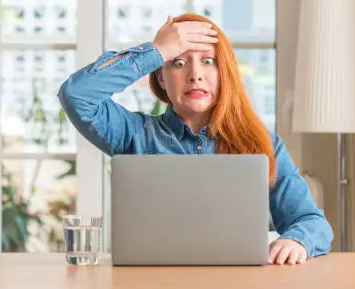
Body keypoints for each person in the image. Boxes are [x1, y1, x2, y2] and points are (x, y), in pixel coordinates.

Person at [57, 13, 333, 265]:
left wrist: (296, 241)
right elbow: (76, 94)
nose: (195, 75)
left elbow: (311, 221)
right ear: (161, 78)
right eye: (177, 62)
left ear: (223, 74)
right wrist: (156, 51)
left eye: (208, 61)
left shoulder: (264, 145)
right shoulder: (135, 134)